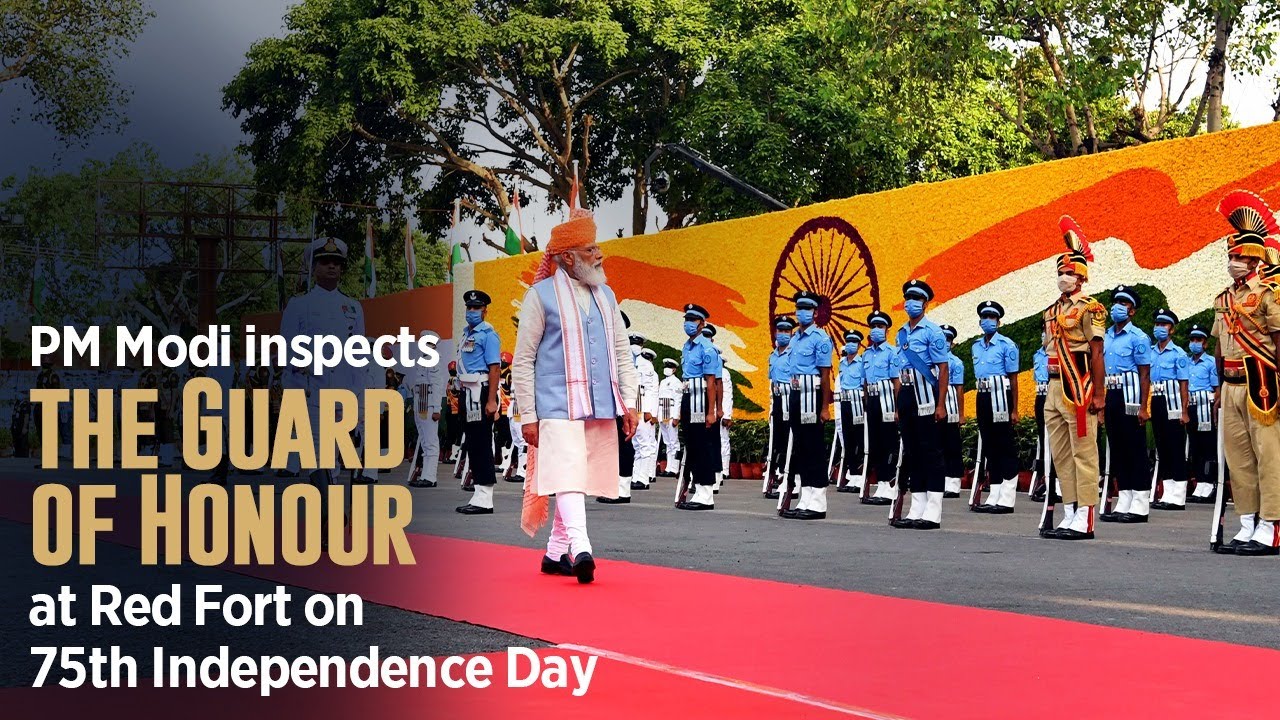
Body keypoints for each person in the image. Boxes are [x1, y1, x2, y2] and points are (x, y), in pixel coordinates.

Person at [512, 207, 639, 582]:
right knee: (568, 471)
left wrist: (629, 402)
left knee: (579, 476)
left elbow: (621, 350)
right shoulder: (541, 296)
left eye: (597, 247)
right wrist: (528, 415)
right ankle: (581, 547)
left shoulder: (607, 296)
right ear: (567, 257)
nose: (598, 254)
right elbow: (523, 361)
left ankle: (554, 554)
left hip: (599, 403)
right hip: (555, 404)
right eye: (589, 249)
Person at [279, 237, 367, 537]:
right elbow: (287, 352)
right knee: (315, 458)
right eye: (325, 262)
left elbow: (358, 360)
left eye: (337, 263)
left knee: (333, 463)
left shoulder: (353, 308)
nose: (332, 267)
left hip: (343, 395)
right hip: (310, 393)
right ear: (313, 267)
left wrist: (360, 404)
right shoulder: (299, 305)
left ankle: (327, 517)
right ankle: (331, 520)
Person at [1211, 190, 1280, 555]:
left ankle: (1272, 524)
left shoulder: (1270, 294)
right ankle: (1249, 521)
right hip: (1232, 384)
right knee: (1238, 458)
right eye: (1230, 256)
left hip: (1263, 383)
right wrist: (1219, 386)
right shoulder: (1224, 299)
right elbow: (1220, 346)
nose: (1233, 262)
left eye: (1238, 256)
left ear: (1253, 258)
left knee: (1268, 455)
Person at [1040, 216, 1106, 540]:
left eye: (1069, 273)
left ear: (1080, 277)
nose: (1063, 278)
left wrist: (1099, 395)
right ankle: (1070, 511)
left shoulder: (1091, 308)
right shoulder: (1051, 311)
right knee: (1061, 454)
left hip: (1078, 387)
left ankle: (1087, 515)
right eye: (1060, 273)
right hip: (1053, 386)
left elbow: (1096, 353)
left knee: (1083, 451)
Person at [890, 280, 950, 530]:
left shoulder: (933, 332)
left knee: (930, 451)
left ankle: (933, 510)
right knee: (912, 450)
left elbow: (943, 368)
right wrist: (897, 405)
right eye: (908, 297)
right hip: (906, 393)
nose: (911, 302)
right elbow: (898, 370)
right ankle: (917, 506)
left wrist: (941, 404)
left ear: (925, 304)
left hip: (926, 394)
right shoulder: (901, 333)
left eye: (916, 298)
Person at [1099, 285, 1153, 524]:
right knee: (1118, 448)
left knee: (1135, 449)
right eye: (1116, 302)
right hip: (1111, 394)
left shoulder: (1138, 337)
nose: (1118, 307)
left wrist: (1144, 406)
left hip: (1130, 396)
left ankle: (1140, 502)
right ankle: (1124, 498)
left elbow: (1144, 375)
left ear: (1132, 311)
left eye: (1124, 303)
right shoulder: (1106, 335)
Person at [782, 290, 834, 520]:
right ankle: (805, 497)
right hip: (795, 395)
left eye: (807, 308)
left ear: (815, 312)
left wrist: (825, 407)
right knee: (801, 448)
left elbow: (825, 376)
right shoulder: (794, 339)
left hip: (812, 396)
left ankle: (818, 500)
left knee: (813, 447)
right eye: (798, 308)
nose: (801, 312)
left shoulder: (820, 339)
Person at [454, 290, 503, 515]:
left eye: (476, 308)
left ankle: (485, 498)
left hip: (482, 392)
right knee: (473, 442)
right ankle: (478, 494)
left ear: (485, 311)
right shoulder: (467, 334)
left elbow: (494, 368)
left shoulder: (488, 334)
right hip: (468, 392)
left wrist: (492, 400)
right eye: (469, 308)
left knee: (482, 442)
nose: (471, 312)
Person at [970, 301, 1021, 514]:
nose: (988, 321)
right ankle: (995, 492)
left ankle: (1007, 496)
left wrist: (1014, 409)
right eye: (985, 317)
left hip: (1001, 396)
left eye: (992, 317)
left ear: (998, 321)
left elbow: (1014, 379)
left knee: (1004, 444)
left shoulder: (1007, 345)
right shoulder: (976, 346)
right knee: (990, 444)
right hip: (983, 396)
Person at [676, 303, 722, 510]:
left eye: (693, 320)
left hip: (700, 400)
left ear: (702, 324)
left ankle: (705, 492)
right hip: (688, 397)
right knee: (692, 445)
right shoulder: (687, 346)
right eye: (686, 319)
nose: (688, 324)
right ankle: (696, 487)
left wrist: (711, 412)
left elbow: (711, 383)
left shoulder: (707, 348)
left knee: (702, 446)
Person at [1148, 309, 1192, 511]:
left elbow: (1184, 385)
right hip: (1156, 400)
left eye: (1164, 325)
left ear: (1172, 329)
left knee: (1175, 447)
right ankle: (1167, 492)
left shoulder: (1179, 354)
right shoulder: (1150, 351)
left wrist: (1184, 411)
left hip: (1172, 402)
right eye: (1157, 324)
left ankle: (1179, 495)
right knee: (1162, 447)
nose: (1159, 328)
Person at [599, 326, 646, 504]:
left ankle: (623, 487)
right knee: (612, 444)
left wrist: (629, 405)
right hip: (609, 399)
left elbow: (628, 378)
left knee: (624, 442)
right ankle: (614, 486)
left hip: (622, 400)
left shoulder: (622, 349)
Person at [861, 311, 898, 506]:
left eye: (880, 327)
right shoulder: (866, 355)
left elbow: (897, 383)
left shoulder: (892, 353)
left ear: (887, 330)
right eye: (873, 326)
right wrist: (866, 404)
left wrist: (898, 408)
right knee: (875, 443)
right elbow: (865, 383)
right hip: (873, 401)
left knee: (888, 442)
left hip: (887, 401)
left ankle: (890, 483)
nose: (876, 330)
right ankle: (881, 482)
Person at [1185, 325, 1220, 503]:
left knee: (1208, 446)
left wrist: (1215, 409)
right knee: (1195, 447)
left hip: (1206, 406)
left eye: (1198, 340)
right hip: (1191, 406)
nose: (1195, 343)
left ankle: (1209, 483)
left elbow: (1217, 388)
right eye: (1192, 340)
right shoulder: (1186, 361)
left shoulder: (1210, 362)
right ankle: (1199, 483)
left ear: (1205, 344)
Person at [406, 329, 445, 488]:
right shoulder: (424, 359)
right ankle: (424, 475)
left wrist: (437, 408)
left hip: (428, 403)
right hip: (420, 402)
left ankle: (430, 477)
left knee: (430, 442)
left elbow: (436, 385)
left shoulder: (433, 360)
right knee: (423, 441)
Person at [765, 317, 795, 498]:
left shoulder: (794, 354)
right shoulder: (773, 355)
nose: (783, 334)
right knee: (778, 440)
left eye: (786, 331)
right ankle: (778, 474)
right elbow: (771, 381)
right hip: (776, 399)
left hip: (789, 400)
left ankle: (789, 478)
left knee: (788, 438)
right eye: (780, 330)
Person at [835, 330, 866, 493]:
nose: (851, 344)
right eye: (848, 341)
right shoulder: (842, 363)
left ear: (859, 345)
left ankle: (859, 477)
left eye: (854, 342)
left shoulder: (861, 363)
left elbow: (864, 385)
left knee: (858, 438)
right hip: (845, 403)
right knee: (847, 439)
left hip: (857, 403)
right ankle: (852, 474)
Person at [701, 324, 730, 492]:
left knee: (713, 442)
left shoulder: (715, 357)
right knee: (700, 442)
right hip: (698, 403)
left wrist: (718, 409)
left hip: (710, 405)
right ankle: (699, 478)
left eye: (707, 337)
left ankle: (716, 476)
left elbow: (718, 385)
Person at [940, 324, 966, 498]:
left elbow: (959, 389)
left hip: (951, 407)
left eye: (948, 339)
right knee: (937, 445)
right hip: (935, 407)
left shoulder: (956, 362)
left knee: (952, 445)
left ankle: (954, 482)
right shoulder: (931, 360)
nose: (945, 342)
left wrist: (961, 414)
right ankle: (940, 479)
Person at [632, 346, 661, 490]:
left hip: (642, 408)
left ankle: (643, 478)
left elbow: (651, 391)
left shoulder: (646, 366)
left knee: (644, 444)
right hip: (636, 406)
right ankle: (636, 476)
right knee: (637, 444)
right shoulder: (636, 363)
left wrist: (649, 411)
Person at [657, 357, 683, 478]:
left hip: (671, 413)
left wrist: (677, 416)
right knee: (667, 442)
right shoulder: (662, 382)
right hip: (663, 413)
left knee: (674, 442)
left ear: (674, 369)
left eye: (669, 367)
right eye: (665, 367)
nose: (667, 369)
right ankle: (668, 467)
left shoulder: (677, 382)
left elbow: (678, 400)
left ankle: (674, 468)